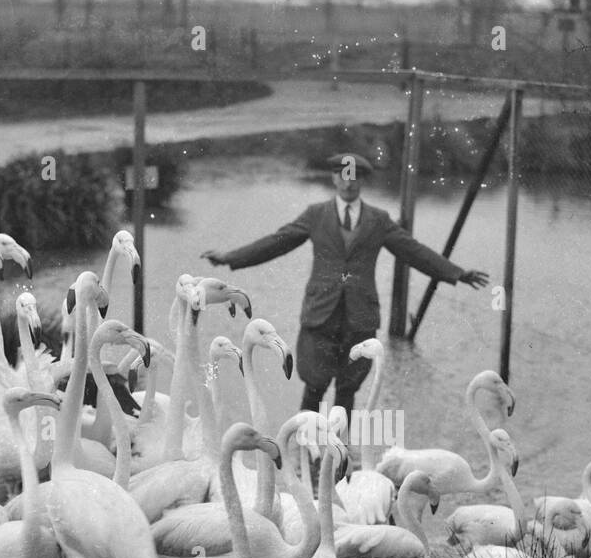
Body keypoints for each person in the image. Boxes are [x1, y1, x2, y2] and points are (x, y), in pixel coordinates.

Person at [202, 152, 488, 414]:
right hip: (320, 316)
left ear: (361, 180)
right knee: (313, 386)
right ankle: (306, 449)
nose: (349, 183)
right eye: (343, 176)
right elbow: (277, 242)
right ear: (334, 178)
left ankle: (338, 460)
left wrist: (457, 273)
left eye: (355, 177)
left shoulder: (379, 220)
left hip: (360, 318)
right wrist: (230, 257)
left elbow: (414, 251)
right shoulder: (316, 215)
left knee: (348, 391)